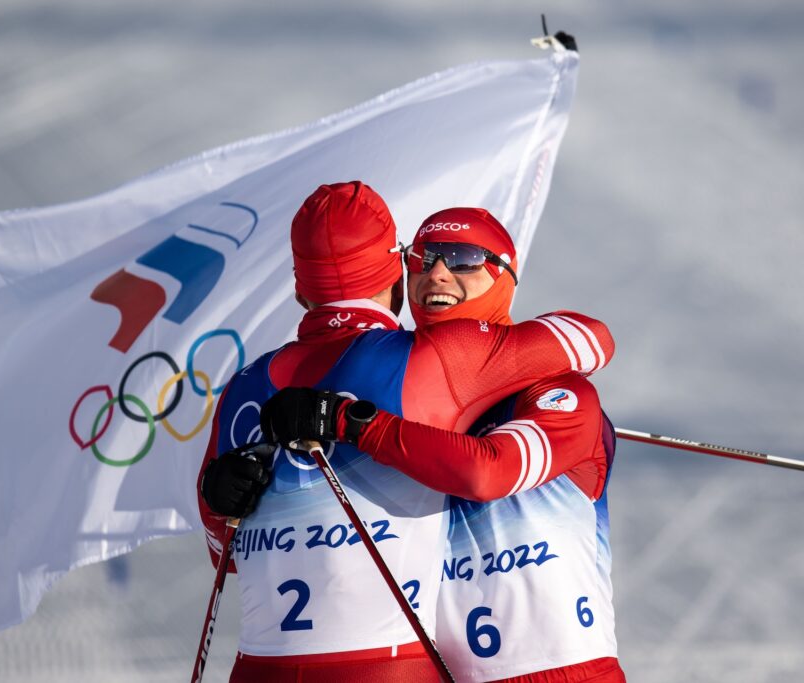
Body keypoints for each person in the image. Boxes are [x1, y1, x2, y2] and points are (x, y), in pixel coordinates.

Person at [198, 182, 616, 682]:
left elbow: (489, 469)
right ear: (398, 273)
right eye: (423, 257)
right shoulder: (422, 362)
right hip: (416, 668)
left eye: (463, 258)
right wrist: (223, 498)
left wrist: (349, 422)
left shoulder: (558, 392)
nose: (438, 271)